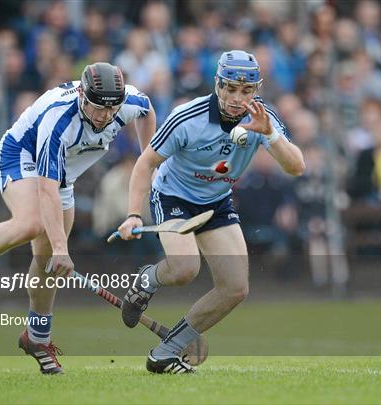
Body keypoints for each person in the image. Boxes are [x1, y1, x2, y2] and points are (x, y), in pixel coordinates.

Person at [0, 62, 156, 374]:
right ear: (82, 97)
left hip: (63, 173)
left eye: (111, 110)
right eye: (97, 108)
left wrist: (146, 158)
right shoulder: (59, 121)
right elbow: (46, 191)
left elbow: (147, 111)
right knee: (32, 224)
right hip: (21, 156)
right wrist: (63, 247)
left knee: (47, 260)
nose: (104, 116)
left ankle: (37, 338)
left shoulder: (130, 102)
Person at [117, 50, 305, 374]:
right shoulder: (186, 118)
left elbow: (296, 166)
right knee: (184, 269)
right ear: (218, 84)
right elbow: (145, 163)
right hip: (173, 194)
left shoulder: (261, 118)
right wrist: (134, 214)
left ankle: (167, 351)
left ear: (256, 89)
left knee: (235, 288)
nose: (237, 98)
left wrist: (269, 134)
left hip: (216, 201)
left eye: (246, 91)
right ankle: (149, 278)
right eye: (230, 88)